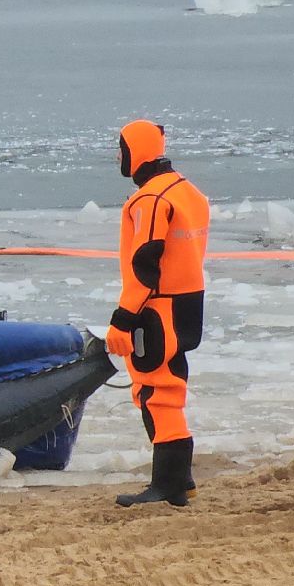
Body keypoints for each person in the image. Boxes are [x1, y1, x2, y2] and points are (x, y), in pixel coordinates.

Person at [106, 119, 210, 508]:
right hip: (188, 303)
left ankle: (167, 483)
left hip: (156, 308)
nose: (118, 157)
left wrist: (123, 318)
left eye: (121, 149)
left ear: (136, 152)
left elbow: (145, 265)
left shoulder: (150, 199)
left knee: (154, 392)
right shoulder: (189, 192)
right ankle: (180, 481)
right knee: (172, 385)